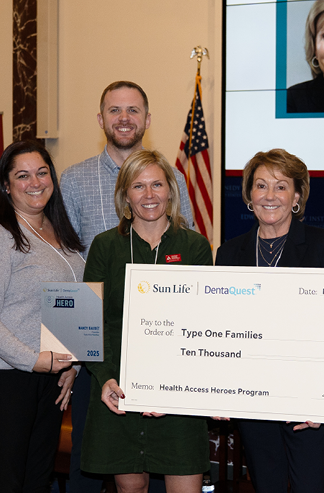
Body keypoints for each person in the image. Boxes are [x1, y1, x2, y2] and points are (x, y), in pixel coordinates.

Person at [60, 80, 194, 492]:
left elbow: (186, 248)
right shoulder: (72, 179)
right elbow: (64, 265)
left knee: (161, 466)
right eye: (115, 110)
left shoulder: (175, 179)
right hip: (98, 349)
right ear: (101, 119)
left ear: (147, 120)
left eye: (133, 110)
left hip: (167, 354)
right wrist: (69, 353)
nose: (124, 118)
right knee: (91, 459)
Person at [215, 149, 324, 493]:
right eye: (260, 186)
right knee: (266, 484)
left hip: (308, 399)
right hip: (252, 395)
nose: (270, 196)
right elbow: (221, 329)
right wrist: (217, 389)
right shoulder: (229, 254)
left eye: (281, 186)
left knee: (309, 486)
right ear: (248, 196)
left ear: (297, 196)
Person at [81, 149, 211, 493]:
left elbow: (202, 326)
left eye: (157, 184)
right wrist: (106, 378)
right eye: (138, 186)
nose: (149, 195)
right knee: (131, 488)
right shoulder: (105, 246)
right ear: (125, 195)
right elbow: (90, 324)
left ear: (171, 190)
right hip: (118, 392)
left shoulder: (195, 247)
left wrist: (169, 387)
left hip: (180, 397)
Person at [0, 139, 84, 492]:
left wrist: (72, 364)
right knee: (6, 480)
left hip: (50, 375)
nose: (35, 182)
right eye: (23, 175)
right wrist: (33, 360)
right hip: (5, 375)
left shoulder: (59, 228)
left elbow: (74, 299)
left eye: (42, 172)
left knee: (36, 476)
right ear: (6, 185)